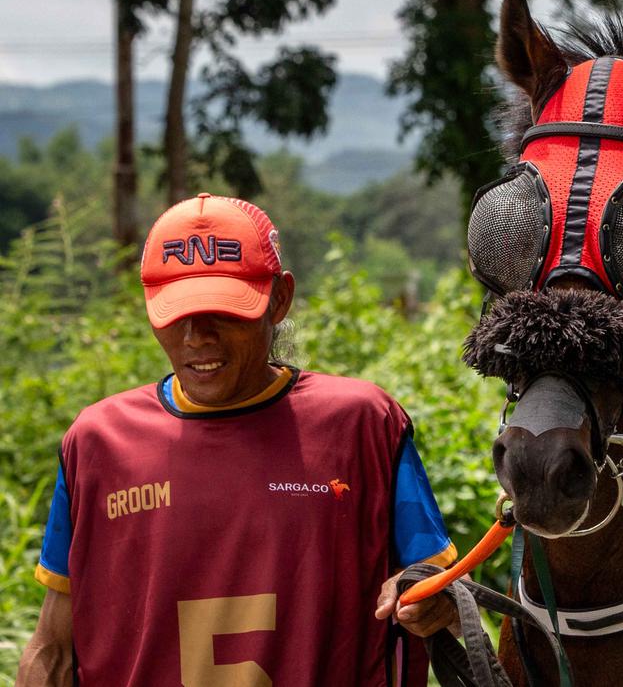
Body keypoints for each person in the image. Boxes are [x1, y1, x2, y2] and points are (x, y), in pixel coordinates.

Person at [17, 193, 460, 686]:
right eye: (175, 313)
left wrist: (429, 596)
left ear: (279, 300)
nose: (196, 336)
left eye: (224, 312)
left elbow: (443, 594)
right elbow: (53, 649)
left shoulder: (362, 425)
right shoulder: (97, 442)